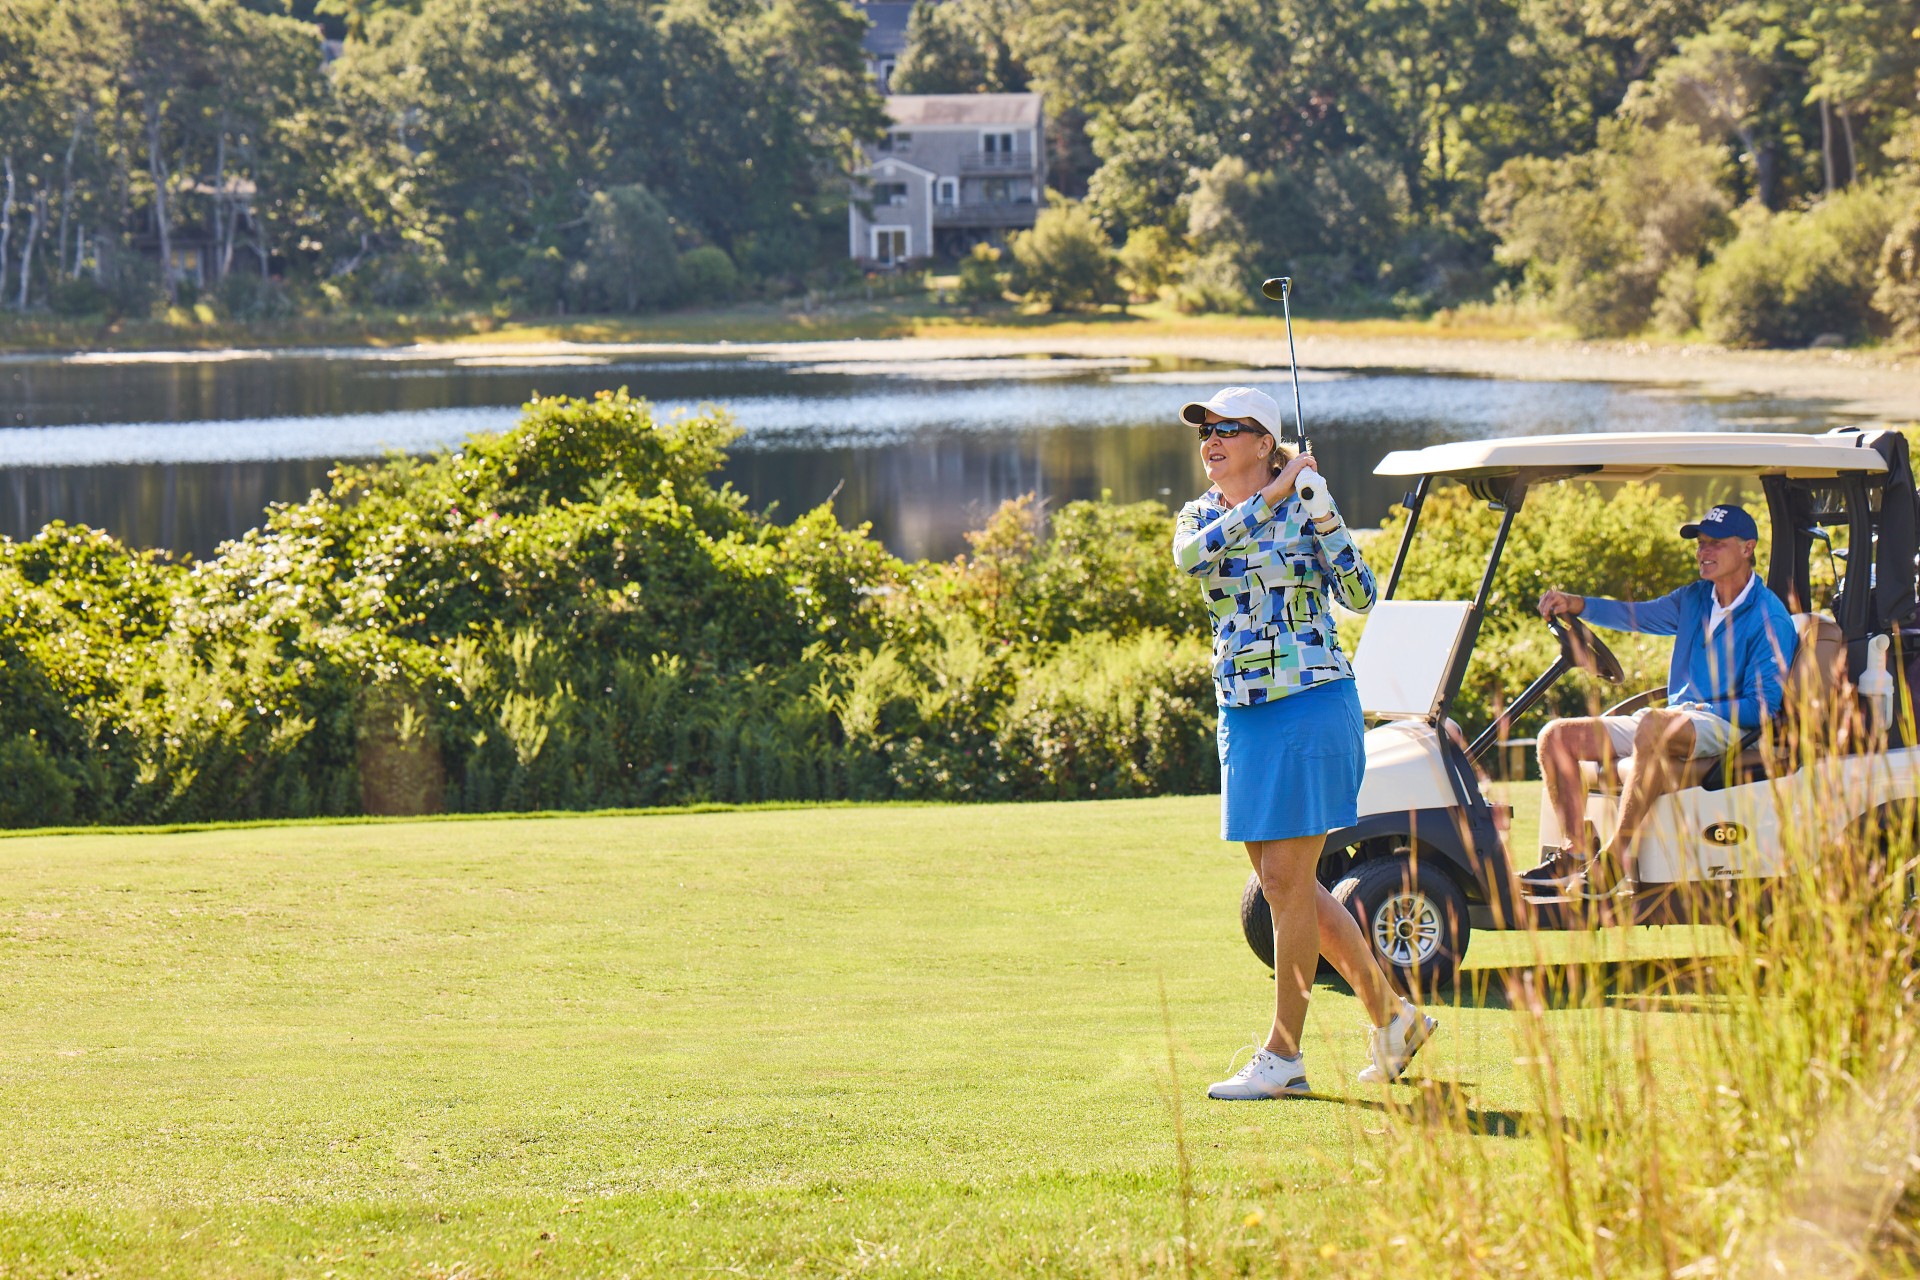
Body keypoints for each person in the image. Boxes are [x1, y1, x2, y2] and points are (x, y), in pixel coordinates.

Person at [1170, 386, 1437, 1100]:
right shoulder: (1200, 517)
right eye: (1206, 430)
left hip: (1311, 702)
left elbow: (1359, 592)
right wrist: (1274, 494)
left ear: (1265, 443)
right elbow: (1194, 560)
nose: (1212, 439)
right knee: (1287, 883)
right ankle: (1394, 1018)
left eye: (1230, 428)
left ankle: (1283, 1055)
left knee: (1286, 883)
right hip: (1245, 711)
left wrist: (1317, 505)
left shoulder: (1306, 505)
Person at [1520, 503, 1798, 896]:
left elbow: (1765, 707)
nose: (1703, 553)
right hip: (1675, 718)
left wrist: (1706, 710)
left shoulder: (1770, 617)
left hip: (1726, 725)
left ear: (1748, 547)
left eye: (1715, 544)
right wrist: (1578, 604)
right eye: (1701, 544)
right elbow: (1636, 615)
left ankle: (1615, 861)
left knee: (1653, 722)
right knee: (1555, 736)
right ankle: (1575, 852)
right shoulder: (1695, 599)